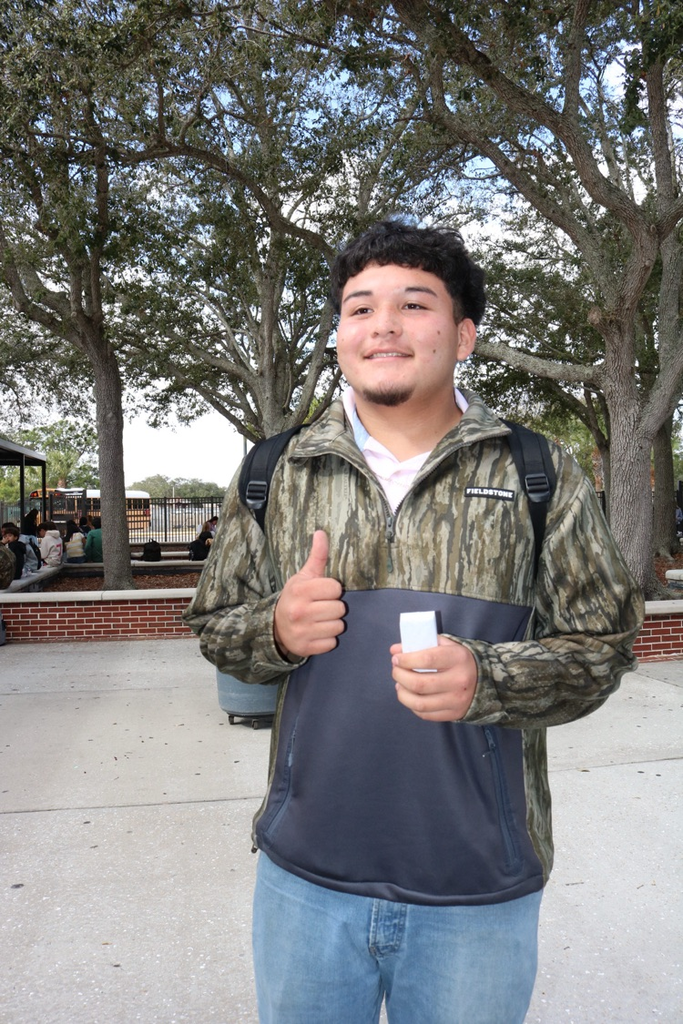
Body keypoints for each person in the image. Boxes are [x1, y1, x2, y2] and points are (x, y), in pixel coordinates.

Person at [184, 219, 644, 1024]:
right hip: (304, 881)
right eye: (359, 308)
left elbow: (604, 646)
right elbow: (217, 626)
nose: (383, 325)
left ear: (462, 335)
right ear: (339, 335)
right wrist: (276, 631)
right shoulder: (273, 470)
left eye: (414, 304)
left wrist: (490, 679)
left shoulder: (539, 471)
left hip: (477, 888)